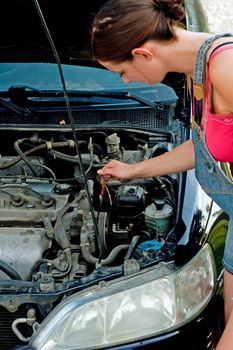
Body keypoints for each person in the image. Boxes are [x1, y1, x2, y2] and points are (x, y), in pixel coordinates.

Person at [91, 0, 233, 349]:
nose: (125, 81)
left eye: (122, 72)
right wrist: (133, 170)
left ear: (143, 54)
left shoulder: (226, 69)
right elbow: (202, 146)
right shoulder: (196, 71)